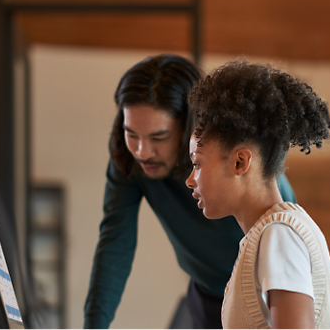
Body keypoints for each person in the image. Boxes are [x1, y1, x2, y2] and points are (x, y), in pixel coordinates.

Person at [83, 54, 296, 330]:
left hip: (260, 297)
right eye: (131, 133)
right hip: (205, 294)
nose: (142, 152)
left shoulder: (236, 161)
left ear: (191, 129)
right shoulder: (130, 159)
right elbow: (115, 243)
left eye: (159, 137)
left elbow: (284, 265)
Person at [185, 60, 330, 330]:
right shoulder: (272, 232)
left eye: (197, 163)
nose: (190, 180)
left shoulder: (279, 235)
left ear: (240, 162)